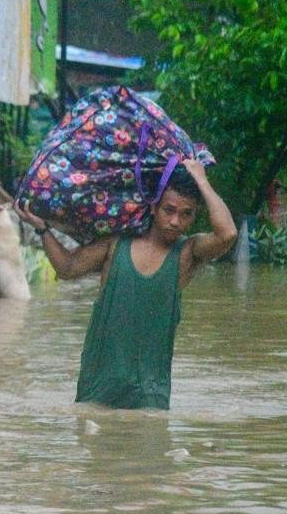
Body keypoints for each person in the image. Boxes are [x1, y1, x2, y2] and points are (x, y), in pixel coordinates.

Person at [16, 159, 237, 409]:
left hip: (150, 392)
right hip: (98, 385)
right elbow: (67, 269)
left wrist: (202, 181)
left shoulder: (187, 253)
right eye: (169, 209)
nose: (176, 221)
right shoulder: (116, 243)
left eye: (186, 214)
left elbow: (227, 234)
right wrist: (42, 229)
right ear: (153, 207)